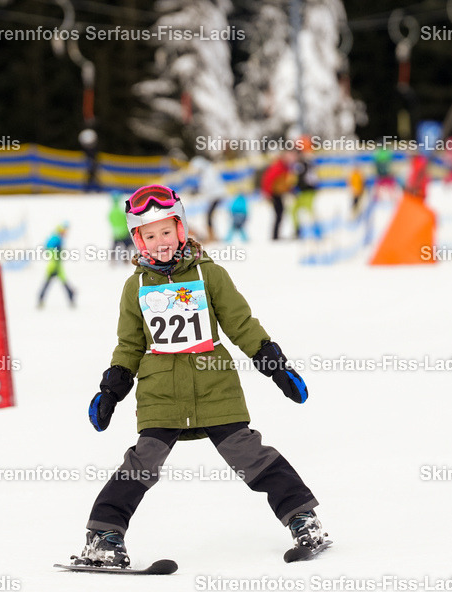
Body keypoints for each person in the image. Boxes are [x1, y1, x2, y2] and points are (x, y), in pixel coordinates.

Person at [73, 184, 325, 568]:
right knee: (142, 462)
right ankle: (103, 536)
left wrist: (273, 363)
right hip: (161, 393)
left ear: (181, 229)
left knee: (250, 455)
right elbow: (129, 344)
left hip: (215, 386)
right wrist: (112, 387)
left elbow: (240, 324)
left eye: (166, 231)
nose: (160, 241)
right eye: (149, 234)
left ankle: (303, 519)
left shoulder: (210, 275)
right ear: (138, 240)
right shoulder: (135, 287)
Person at [38, 222, 76, 308]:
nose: (65, 233)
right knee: (50, 284)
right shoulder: (56, 239)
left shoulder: (57, 238)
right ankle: (71, 295)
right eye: (64, 231)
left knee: (52, 284)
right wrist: (55, 263)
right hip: (54, 267)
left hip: (56, 266)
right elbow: (51, 252)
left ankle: (71, 295)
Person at [261, 152, 294, 240]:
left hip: (278, 193)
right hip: (274, 194)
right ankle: (275, 236)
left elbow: (285, 182)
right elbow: (268, 180)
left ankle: (276, 235)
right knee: (279, 214)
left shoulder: (284, 167)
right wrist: (267, 193)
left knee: (280, 214)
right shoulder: (278, 167)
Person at [108, 193, 133, 264]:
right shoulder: (121, 211)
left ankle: (113, 259)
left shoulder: (111, 212)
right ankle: (125, 259)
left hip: (116, 232)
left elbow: (111, 221)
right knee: (127, 246)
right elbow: (126, 220)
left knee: (115, 246)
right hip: (124, 232)